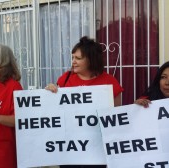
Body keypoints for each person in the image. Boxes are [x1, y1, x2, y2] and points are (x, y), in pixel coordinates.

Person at [45, 36, 123, 168]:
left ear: (91, 60)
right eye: (73, 57)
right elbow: (55, 110)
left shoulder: (109, 82)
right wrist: (50, 93)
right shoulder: (65, 79)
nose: (73, 62)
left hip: (97, 148)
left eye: (78, 58)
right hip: (70, 147)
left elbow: (116, 114)